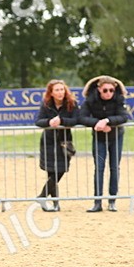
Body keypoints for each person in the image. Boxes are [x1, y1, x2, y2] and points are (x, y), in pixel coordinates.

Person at [78, 75, 129, 212]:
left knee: (114, 167)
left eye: (111, 90)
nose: (109, 93)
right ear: (99, 89)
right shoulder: (90, 100)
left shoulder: (118, 99)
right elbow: (81, 117)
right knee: (99, 168)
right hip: (99, 138)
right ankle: (97, 202)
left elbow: (124, 117)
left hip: (116, 137)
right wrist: (97, 124)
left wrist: (107, 121)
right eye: (105, 90)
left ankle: (112, 201)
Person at [33, 80, 77, 212]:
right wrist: (49, 121)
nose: (60, 92)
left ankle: (42, 196)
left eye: (62, 89)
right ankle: (55, 204)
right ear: (51, 93)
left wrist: (62, 120)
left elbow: (76, 120)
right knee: (51, 172)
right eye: (57, 90)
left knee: (60, 170)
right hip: (48, 141)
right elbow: (38, 121)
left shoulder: (71, 104)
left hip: (64, 142)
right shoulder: (46, 105)